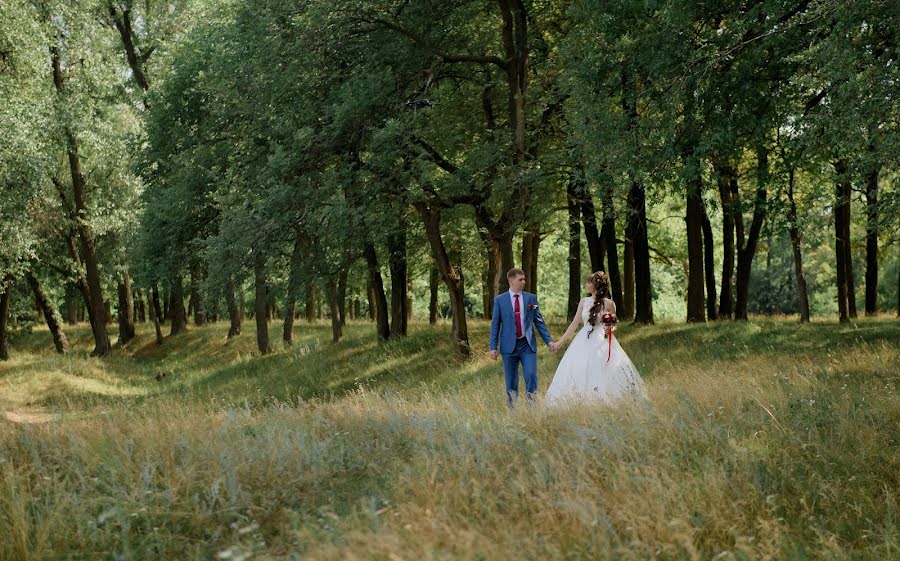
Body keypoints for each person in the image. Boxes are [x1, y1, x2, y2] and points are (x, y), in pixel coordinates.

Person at [545, 271, 647, 406]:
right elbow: (574, 323)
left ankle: (604, 400)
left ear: (595, 285)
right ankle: (578, 401)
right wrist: (560, 342)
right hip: (583, 339)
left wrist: (609, 328)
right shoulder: (584, 302)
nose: (586, 284)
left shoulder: (610, 304)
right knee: (579, 368)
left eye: (589, 282)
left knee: (602, 369)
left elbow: (613, 325)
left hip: (601, 340)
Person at [489, 268, 556, 409]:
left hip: (527, 345)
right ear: (511, 280)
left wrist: (549, 341)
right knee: (511, 382)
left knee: (531, 375)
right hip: (508, 347)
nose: (524, 282)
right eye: (521, 279)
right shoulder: (500, 300)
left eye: (524, 279)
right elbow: (495, 324)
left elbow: (539, 321)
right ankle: (513, 412)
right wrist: (493, 347)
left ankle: (532, 409)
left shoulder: (531, 298)